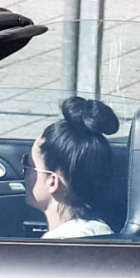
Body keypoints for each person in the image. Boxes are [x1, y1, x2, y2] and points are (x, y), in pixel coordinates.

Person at [27, 96, 122, 238]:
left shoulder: (50, 251)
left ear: (53, 182)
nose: (25, 175)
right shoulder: (103, 232)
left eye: (29, 166)